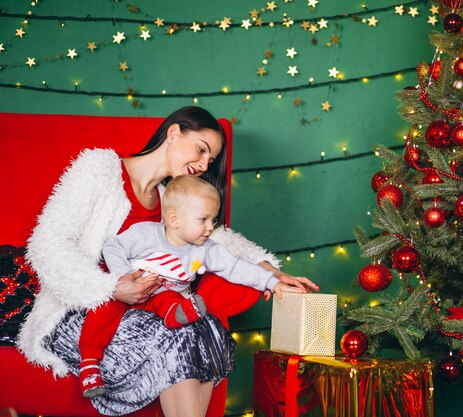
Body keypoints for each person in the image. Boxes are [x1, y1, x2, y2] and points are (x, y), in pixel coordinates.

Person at [18, 106, 319, 417]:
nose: (203, 165)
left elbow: (217, 240)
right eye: (201, 150)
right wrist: (110, 287)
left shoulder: (172, 200)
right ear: (174, 133)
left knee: (205, 329)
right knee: (179, 336)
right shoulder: (100, 169)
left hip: (151, 310)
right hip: (86, 313)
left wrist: (267, 268)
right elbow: (46, 245)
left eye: (210, 161)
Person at [79, 175, 301, 398]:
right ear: (174, 219)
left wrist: (272, 282)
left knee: (169, 297)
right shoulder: (145, 234)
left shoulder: (205, 249)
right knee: (103, 307)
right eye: (203, 220)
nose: (210, 228)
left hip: (164, 302)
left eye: (213, 221)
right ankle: (89, 363)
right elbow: (113, 247)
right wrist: (124, 277)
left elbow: (236, 267)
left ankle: (178, 316)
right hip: (131, 293)